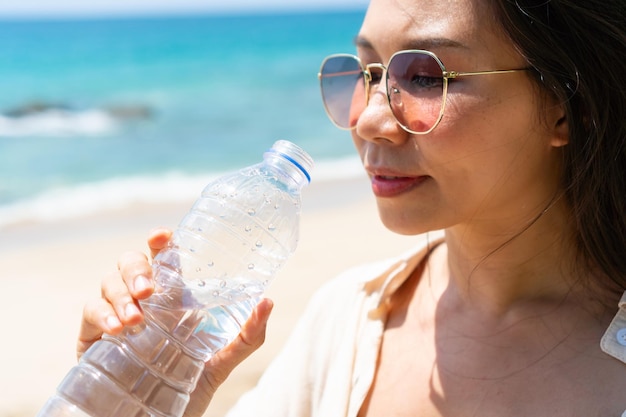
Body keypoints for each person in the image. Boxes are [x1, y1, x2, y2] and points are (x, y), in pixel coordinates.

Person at [78, 0, 626, 415]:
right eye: (369, 74)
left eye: (427, 76)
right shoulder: (346, 321)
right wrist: (139, 399)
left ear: (564, 107)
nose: (367, 120)